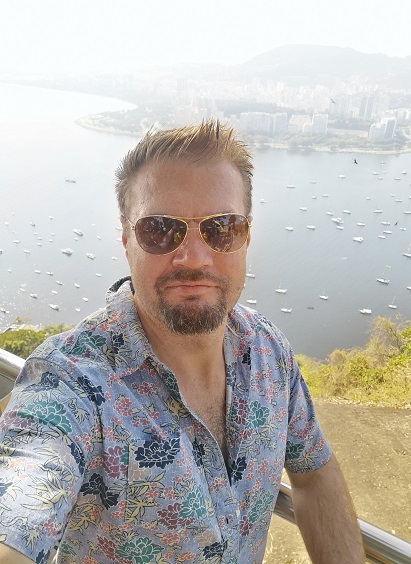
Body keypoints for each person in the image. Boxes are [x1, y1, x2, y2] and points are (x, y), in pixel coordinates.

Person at [0, 120, 365, 563]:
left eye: (221, 227)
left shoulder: (268, 351)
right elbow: (20, 505)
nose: (193, 257)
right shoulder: (70, 384)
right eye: (159, 229)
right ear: (126, 239)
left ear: (246, 237)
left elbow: (314, 473)